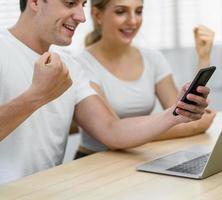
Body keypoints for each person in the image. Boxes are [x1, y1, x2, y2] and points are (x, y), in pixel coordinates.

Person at [0, 0, 210, 184]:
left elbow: (112, 130)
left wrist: (175, 113)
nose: (81, 17)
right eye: (70, 3)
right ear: (35, 1)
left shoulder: (71, 68)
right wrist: (37, 95)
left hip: (44, 189)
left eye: (82, 5)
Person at [74, 0, 216, 158]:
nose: (133, 21)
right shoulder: (82, 65)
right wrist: (191, 126)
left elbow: (181, 116)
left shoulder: (152, 58)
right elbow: (113, 133)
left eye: (139, 11)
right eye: (121, 12)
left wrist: (203, 58)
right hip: (94, 160)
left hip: (136, 156)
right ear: (97, 15)